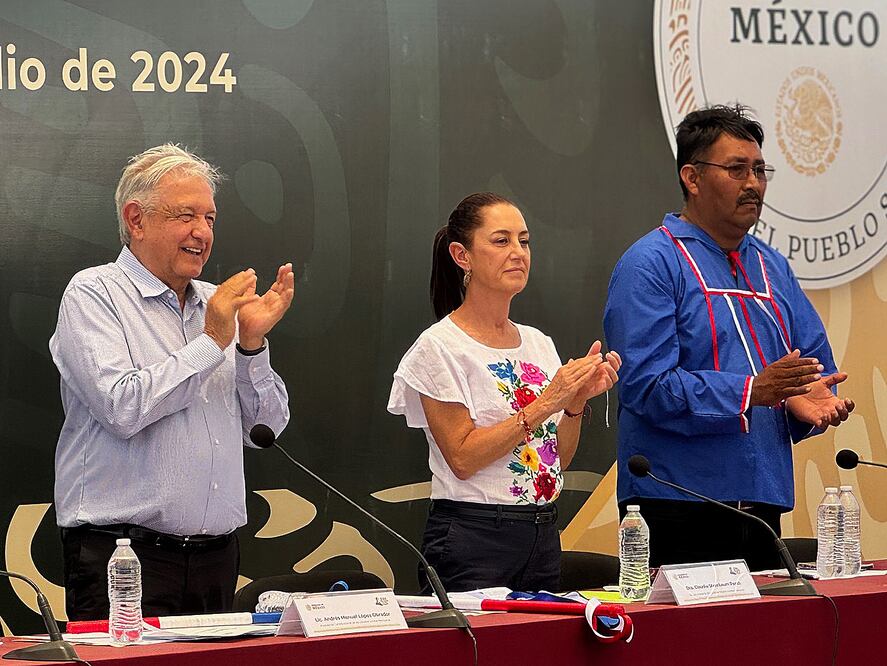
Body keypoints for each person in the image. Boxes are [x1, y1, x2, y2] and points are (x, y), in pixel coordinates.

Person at [604, 105, 854, 570]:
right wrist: (752, 390)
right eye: (736, 169)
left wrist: (806, 398)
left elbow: (811, 366)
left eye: (759, 170)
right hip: (676, 504)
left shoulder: (774, 266)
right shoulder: (650, 263)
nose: (753, 183)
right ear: (692, 178)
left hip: (763, 508)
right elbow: (646, 386)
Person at [50, 144, 294, 620]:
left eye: (210, 218)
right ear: (136, 220)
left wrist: (250, 346)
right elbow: (122, 406)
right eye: (186, 215)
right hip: (123, 558)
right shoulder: (93, 294)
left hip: (215, 559)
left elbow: (265, 431)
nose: (202, 232)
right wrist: (213, 341)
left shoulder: (217, 304)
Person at [388, 192, 621, 592]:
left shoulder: (538, 343)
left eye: (524, 241)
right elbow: (462, 457)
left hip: (543, 531)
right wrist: (549, 400)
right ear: (462, 256)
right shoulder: (439, 347)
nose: (518, 253)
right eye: (501, 241)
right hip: (472, 536)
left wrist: (574, 404)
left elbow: (556, 462)